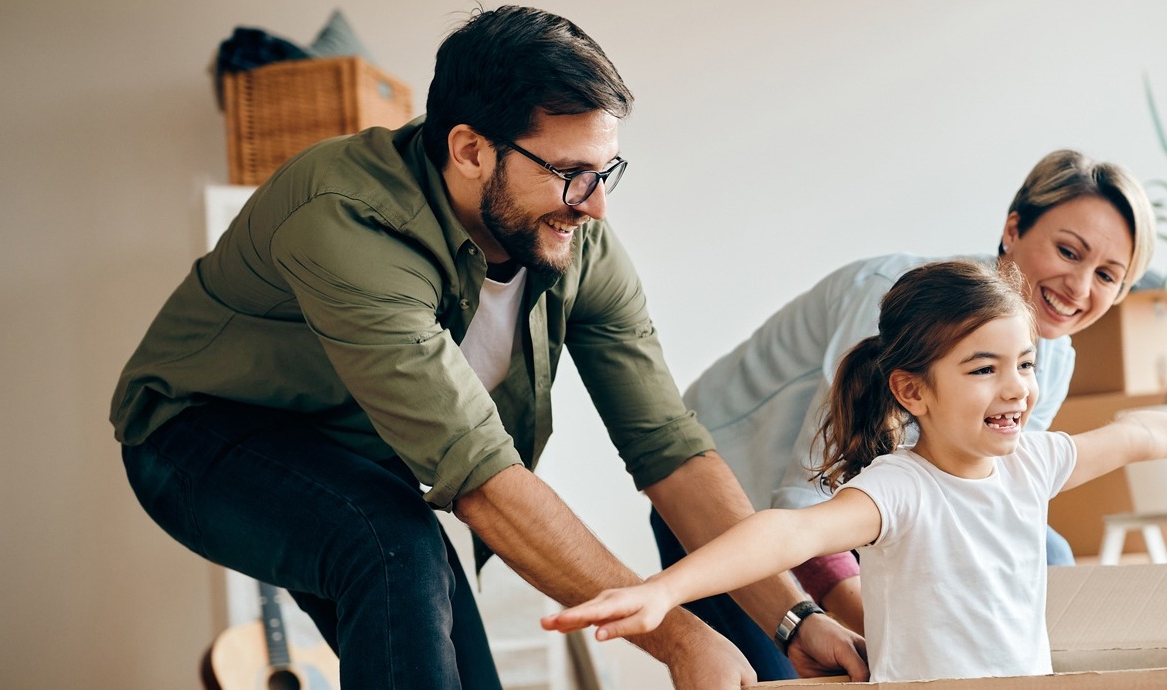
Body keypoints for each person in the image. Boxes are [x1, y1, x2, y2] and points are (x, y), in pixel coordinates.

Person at [110, 7, 863, 689]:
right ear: (470, 150)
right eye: (570, 173)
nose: (597, 205)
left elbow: (669, 449)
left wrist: (795, 619)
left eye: (606, 172)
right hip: (193, 435)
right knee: (389, 539)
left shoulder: (579, 243)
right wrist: (675, 638)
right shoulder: (346, 218)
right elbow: (480, 479)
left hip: (364, 464)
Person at [543, 260, 1167, 682]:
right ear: (913, 391)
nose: (1016, 386)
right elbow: (782, 535)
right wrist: (664, 591)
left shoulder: (1034, 463)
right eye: (984, 369)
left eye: (1024, 364)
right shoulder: (899, 489)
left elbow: (1136, 435)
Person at [663, 149, 1157, 676]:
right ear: (1013, 228)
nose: (1079, 288)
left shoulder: (1053, 355)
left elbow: (996, 500)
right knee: (793, 672)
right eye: (1067, 251)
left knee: (1049, 552)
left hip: (845, 514)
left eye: (1108, 275)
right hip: (725, 489)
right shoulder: (898, 302)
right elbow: (808, 496)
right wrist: (897, 638)